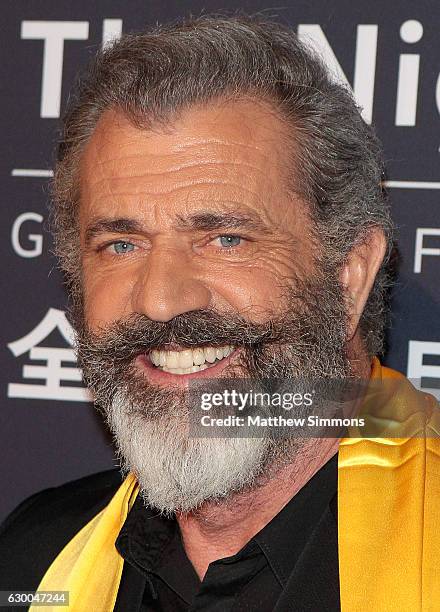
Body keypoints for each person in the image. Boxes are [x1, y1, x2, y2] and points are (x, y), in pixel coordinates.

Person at [0, 14, 438, 612]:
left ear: (349, 275)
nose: (160, 297)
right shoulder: (38, 558)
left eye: (225, 237)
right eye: (120, 245)